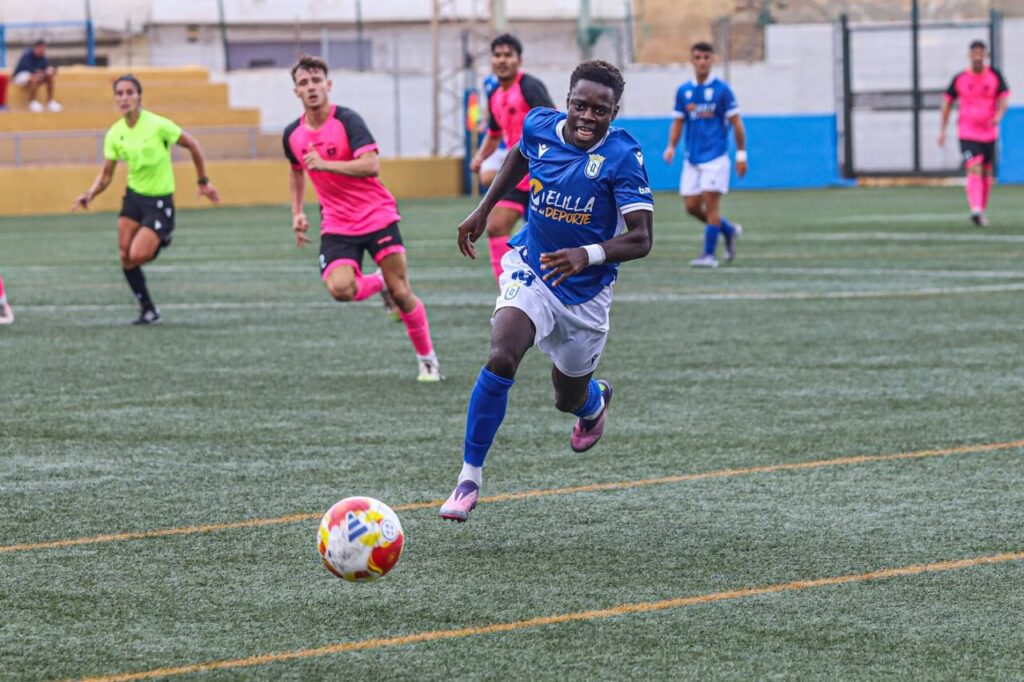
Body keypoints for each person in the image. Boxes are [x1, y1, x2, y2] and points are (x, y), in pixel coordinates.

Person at [440, 60, 654, 522]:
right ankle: (469, 477)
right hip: (532, 268)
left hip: (586, 295)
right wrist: (484, 209)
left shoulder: (623, 156)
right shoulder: (540, 124)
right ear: (567, 100)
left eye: (600, 110)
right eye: (580, 105)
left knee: (567, 398)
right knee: (502, 355)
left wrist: (587, 255)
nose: (587, 117)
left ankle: (593, 403)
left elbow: (642, 238)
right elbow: (520, 154)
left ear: (614, 113)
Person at [283, 55, 442, 382]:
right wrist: (297, 212)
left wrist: (327, 165)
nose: (311, 87)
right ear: (296, 91)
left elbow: (371, 165)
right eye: (304, 83)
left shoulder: (347, 120)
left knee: (402, 293)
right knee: (340, 288)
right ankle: (379, 282)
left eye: (316, 81)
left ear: (328, 85)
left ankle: (427, 361)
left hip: (376, 214)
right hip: (337, 222)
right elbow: (297, 170)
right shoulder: (292, 135)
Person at [72, 74, 221, 325]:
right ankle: (149, 310)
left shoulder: (158, 125)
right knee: (124, 255)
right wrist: (90, 193)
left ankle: (162, 237)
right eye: (119, 93)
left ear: (139, 97)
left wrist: (203, 181)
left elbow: (194, 145)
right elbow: (107, 175)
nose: (124, 98)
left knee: (137, 254)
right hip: (133, 199)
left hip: (159, 202)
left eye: (129, 92)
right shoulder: (115, 133)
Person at [469, 34, 555, 285]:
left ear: (519, 60)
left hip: (542, 175)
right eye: (497, 55)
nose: (502, 60)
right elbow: (495, 133)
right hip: (515, 175)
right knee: (495, 226)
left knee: (548, 239)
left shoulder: (530, 86)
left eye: (508, 55)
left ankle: (553, 287)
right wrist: (480, 156)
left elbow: (552, 122)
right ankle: (508, 286)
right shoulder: (494, 94)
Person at [663, 42, 747, 269]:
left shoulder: (723, 90)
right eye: (698, 57)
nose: (702, 62)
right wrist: (671, 146)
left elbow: (737, 123)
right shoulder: (684, 91)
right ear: (692, 60)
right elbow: (678, 122)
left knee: (711, 205)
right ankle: (728, 230)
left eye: (706, 57)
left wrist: (741, 155)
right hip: (692, 158)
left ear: (713, 60)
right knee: (691, 206)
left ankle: (708, 255)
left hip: (716, 157)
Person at [938, 39, 1010, 227]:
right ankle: (976, 208)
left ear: (986, 55)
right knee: (974, 166)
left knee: (986, 172)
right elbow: (947, 103)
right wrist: (942, 130)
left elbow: (1004, 98)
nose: (977, 57)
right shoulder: (960, 78)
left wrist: (999, 116)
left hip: (989, 133)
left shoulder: (995, 76)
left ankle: (980, 211)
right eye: (974, 54)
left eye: (981, 53)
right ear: (969, 55)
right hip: (967, 132)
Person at [12, 39, 62, 112]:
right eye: (41, 48)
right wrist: (42, 72)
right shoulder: (27, 55)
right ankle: (32, 102)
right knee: (34, 77)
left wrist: (50, 71)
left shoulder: (43, 58)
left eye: (43, 49)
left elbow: (43, 70)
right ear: (36, 48)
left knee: (49, 77)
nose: (42, 50)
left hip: (35, 76)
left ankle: (50, 102)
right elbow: (30, 70)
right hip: (20, 76)